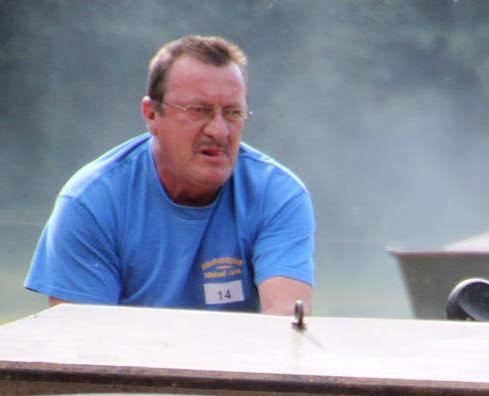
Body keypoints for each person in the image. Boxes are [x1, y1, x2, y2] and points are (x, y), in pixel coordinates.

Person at [26, 35, 314, 314]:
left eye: (233, 112)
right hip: (123, 361)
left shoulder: (277, 195)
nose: (219, 130)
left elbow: (284, 322)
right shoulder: (90, 201)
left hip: (238, 362)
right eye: (199, 110)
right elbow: (83, 345)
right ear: (151, 114)